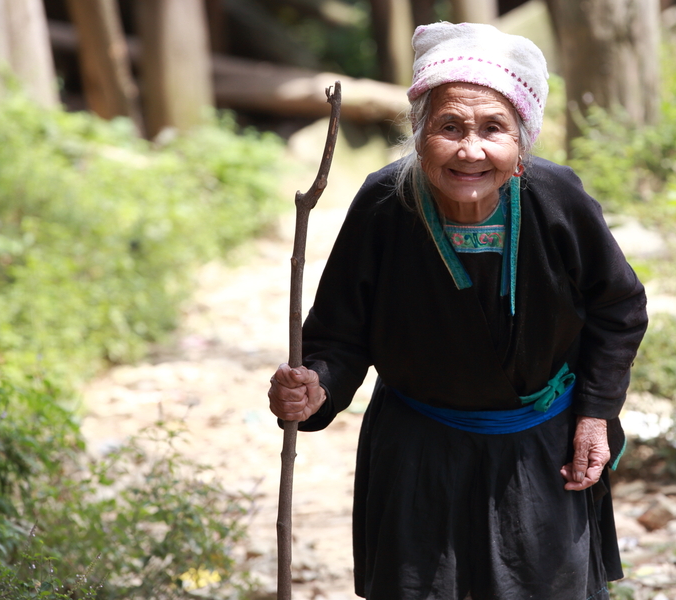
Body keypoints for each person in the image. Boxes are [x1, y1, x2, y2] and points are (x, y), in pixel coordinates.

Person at [268, 21, 648, 600]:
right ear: (418, 137)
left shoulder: (557, 200)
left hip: (541, 450)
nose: (471, 150)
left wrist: (595, 414)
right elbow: (340, 338)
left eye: (494, 128)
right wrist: (315, 387)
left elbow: (618, 306)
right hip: (419, 451)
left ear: (521, 145)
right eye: (450, 127)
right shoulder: (384, 204)